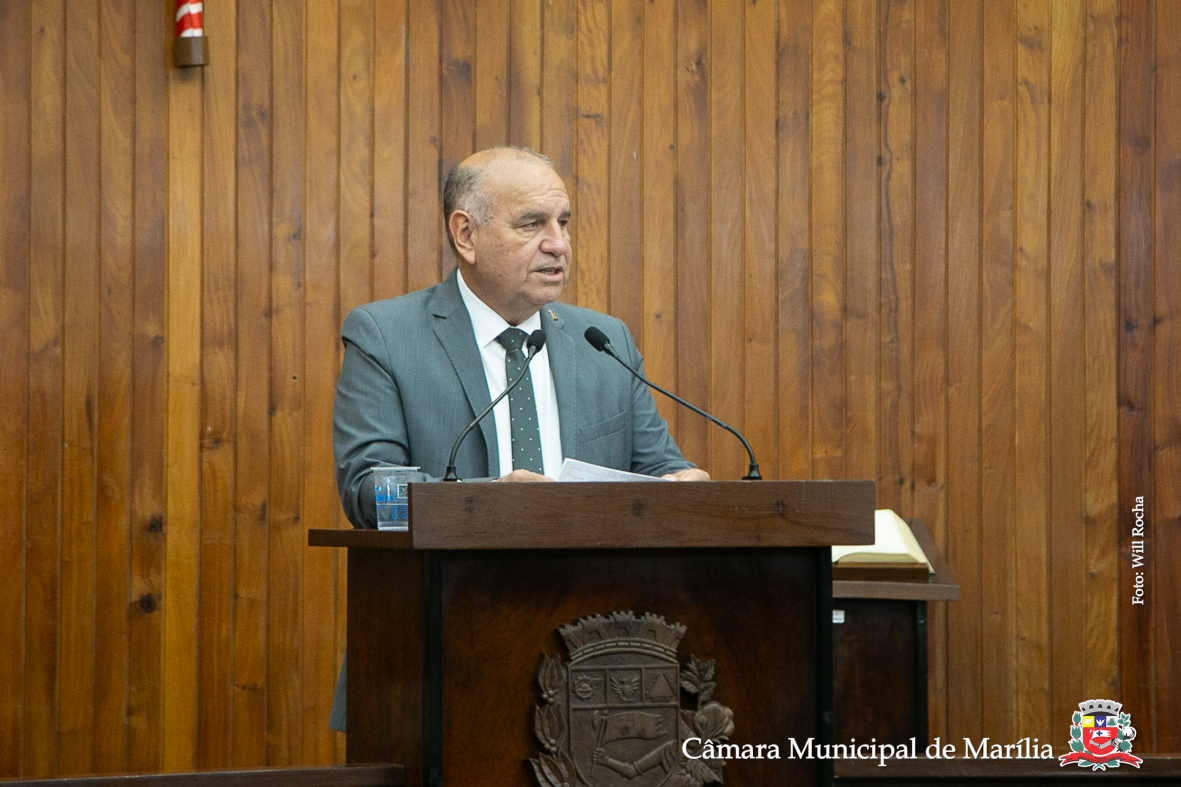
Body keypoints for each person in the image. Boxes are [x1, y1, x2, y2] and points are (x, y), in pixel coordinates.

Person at [332, 146, 708, 529]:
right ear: (466, 235)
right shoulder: (386, 337)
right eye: (531, 224)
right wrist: (490, 500)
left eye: (563, 223)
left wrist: (683, 483)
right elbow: (369, 491)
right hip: (458, 567)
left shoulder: (604, 342)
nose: (559, 244)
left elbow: (658, 469)